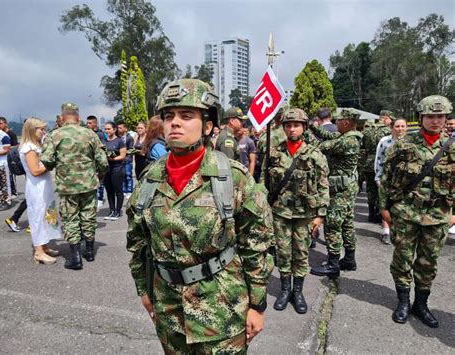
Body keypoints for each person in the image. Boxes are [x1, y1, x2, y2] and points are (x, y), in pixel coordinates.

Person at [126, 79, 274, 353]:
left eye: (186, 116)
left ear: (207, 126)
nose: (175, 123)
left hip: (222, 309)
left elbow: (257, 243)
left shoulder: (232, 177)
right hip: (168, 306)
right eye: (168, 116)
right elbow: (138, 240)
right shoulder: (150, 178)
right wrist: (144, 291)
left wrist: (257, 305)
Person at [379, 95, 453, 328]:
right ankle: (403, 302)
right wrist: (384, 208)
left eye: (440, 116)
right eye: (430, 116)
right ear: (421, 117)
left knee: (428, 263)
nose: (435, 121)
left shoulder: (452, 147)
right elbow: (385, 178)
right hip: (406, 213)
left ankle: (421, 305)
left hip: (438, 216)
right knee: (402, 260)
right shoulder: (402, 145)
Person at [265, 108, 329, 313]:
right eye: (288, 125)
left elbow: (323, 185)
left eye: (296, 125)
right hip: (280, 213)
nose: (292, 129)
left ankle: (298, 292)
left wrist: (320, 215)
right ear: (283, 128)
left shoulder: (315, 154)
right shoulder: (274, 153)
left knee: (301, 254)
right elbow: (263, 183)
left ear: (304, 127)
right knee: (283, 253)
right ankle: (285, 290)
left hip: (305, 214)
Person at [41, 103, 108, 270]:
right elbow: (102, 161)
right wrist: (99, 175)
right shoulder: (90, 134)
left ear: (62, 118)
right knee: (88, 217)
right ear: (78, 118)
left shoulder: (54, 135)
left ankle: (75, 258)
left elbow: (47, 160)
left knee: (71, 219)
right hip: (89, 184)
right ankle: (90, 252)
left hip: (67, 186)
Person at [309, 109, 363, 279]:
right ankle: (349, 259)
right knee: (347, 223)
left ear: (346, 122)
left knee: (332, 223)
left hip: (340, 191)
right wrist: (312, 127)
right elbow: (328, 136)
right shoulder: (347, 135)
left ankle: (333, 264)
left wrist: (306, 136)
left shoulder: (349, 141)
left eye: (338, 120)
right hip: (347, 188)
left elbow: (321, 146)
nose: (335, 123)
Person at [18, 118, 61, 264]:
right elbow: (35, 170)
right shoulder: (29, 147)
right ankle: (38, 252)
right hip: (37, 187)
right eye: (41, 129)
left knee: (46, 215)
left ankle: (44, 246)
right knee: (38, 217)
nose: (43, 132)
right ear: (32, 130)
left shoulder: (36, 145)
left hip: (43, 186)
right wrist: (52, 164)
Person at [374, 118, 408, 244]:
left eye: (402, 126)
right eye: (397, 126)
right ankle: (386, 232)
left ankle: (400, 231)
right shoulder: (385, 141)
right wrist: (378, 178)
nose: (400, 129)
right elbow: (379, 160)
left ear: (406, 128)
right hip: (386, 179)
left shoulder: (411, 142)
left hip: (404, 181)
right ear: (392, 128)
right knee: (385, 204)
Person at [361, 110, 392, 223]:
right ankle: (379, 214)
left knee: (370, 189)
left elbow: (362, 147)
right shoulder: (387, 131)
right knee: (381, 189)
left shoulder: (367, 131)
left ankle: (371, 213)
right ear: (386, 118)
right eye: (390, 119)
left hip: (368, 162)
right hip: (382, 163)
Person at [103, 122, 126, 220]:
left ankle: (117, 211)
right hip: (106, 170)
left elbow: (122, 155)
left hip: (117, 169)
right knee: (109, 191)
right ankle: (111, 210)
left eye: (109, 129)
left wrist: (112, 159)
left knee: (118, 191)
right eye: (106, 129)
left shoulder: (120, 141)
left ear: (114, 129)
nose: (107, 131)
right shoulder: (104, 142)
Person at [86, 115, 106, 209]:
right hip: (89, 162)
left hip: (97, 161)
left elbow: (102, 148)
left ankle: (100, 199)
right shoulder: (86, 133)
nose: (88, 124)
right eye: (87, 122)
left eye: (90, 123)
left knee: (100, 181)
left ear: (95, 123)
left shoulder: (100, 134)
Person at [0, 117, 19, 199]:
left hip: (10, 157)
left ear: (5, 124)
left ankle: (14, 192)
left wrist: (7, 148)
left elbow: (16, 146)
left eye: (1, 123)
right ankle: (6, 192)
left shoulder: (11, 134)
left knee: (11, 176)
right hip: (1, 158)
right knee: (3, 176)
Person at [117, 122, 134, 199]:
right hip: (120, 160)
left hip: (127, 160)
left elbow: (131, 149)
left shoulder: (129, 138)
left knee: (128, 176)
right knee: (122, 176)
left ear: (125, 129)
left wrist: (124, 154)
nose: (118, 129)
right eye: (118, 128)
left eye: (120, 127)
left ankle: (130, 191)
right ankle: (124, 190)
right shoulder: (117, 137)